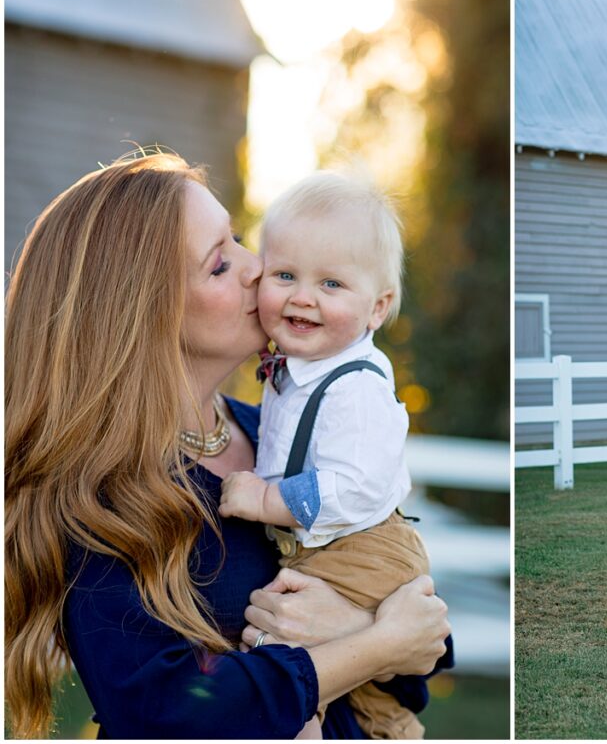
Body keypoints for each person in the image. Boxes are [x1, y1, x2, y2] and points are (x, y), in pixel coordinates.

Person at [4, 153, 451, 739]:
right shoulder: (97, 502)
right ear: (141, 311)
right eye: (220, 264)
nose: (257, 268)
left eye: (240, 240)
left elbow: (420, 651)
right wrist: (376, 642)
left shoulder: (282, 430)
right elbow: (163, 715)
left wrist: (372, 628)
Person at [218, 172, 435, 739]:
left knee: (283, 635)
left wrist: (267, 497)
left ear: (377, 308)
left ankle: (302, 720)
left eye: (332, 284)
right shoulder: (299, 368)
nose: (303, 296)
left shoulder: (356, 387)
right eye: (285, 274)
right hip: (332, 542)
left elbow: (356, 487)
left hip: (362, 544)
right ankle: (392, 727)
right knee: (360, 682)